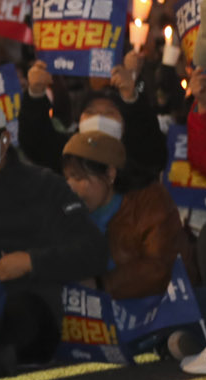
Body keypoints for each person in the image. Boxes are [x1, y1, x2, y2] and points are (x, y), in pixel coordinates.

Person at [0, 95, 108, 367]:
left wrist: (31, 261)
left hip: (25, 306)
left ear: (3, 140)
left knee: (18, 319)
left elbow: (94, 250)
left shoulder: (44, 186)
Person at [60, 130, 192, 304]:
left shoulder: (150, 201)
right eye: (68, 177)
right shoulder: (70, 208)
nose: (71, 187)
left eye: (79, 178)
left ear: (110, 174)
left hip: (158, 307)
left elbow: (159, 268)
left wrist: (101, 284)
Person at [20, 60, 165, 178]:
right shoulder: (67, 153)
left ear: (124, 123)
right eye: (90, 112)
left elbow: (153, 152)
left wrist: (131, 98)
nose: (99, 118)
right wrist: (36, 94)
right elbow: (36, 141)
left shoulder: (135, 157)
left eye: (109, 113)